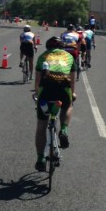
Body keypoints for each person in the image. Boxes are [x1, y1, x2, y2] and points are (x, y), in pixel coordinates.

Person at [33, 36, 76, 172]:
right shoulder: (69, 56)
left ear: (48, 47)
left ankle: (40, 159)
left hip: (46, 90)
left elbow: (37, 83)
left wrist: (37, 94)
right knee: (68, 106)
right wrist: (72, 94)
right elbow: (72, 80)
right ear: (62, 47)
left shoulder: (42, 56)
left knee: (41, 126)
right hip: (63, 88)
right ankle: (63, 129)